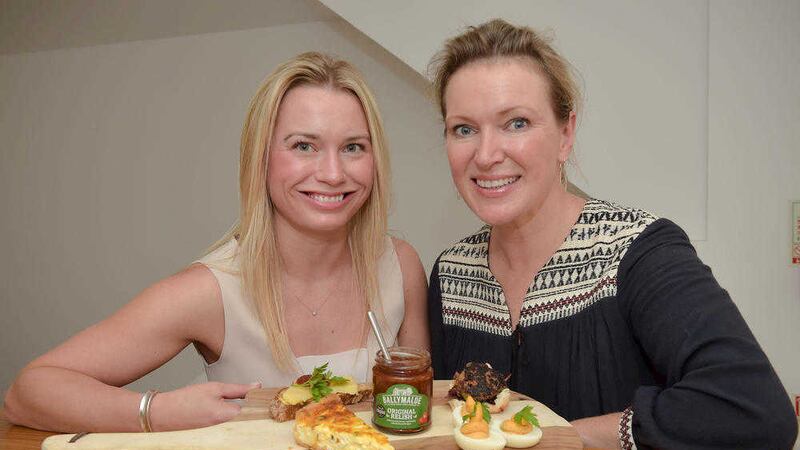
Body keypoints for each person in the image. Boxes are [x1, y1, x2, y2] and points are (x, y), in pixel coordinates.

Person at [4, 52, 429, 433]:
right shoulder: (211, 289)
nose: (334, 173)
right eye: (304, 146)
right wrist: (158, 410)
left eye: (353, 147)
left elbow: (421, 413)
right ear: (260, 159)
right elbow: (27, 392)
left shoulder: (401, 266)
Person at [426, 19, 797, 449]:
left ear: (566, 134)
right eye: (464, 129)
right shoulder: (451, 274)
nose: (487, 154)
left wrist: (559, 438)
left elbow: (756, 411)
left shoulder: (638, 251)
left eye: (517, 123)